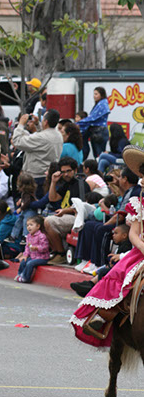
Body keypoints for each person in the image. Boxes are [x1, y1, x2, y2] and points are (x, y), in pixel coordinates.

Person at [70, 145, 144, 346]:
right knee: (120, 276)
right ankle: (103, 316)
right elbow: (134, 233)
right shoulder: (139, 202)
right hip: (141, 251)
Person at [11, 109, 63, 198]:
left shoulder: (41, 138)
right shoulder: (58, 135)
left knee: (32, 206)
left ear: (46, 122)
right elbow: (42, 136)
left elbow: (17, 141)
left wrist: (20, 124)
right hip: (47, 175)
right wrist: (37, 124)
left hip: (36, 178)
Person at [44, 156, 86, 264]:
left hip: (76, 217)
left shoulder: (80, 184)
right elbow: (52, 198)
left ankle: (61, 254)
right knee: (39, 222)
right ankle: (56, 252)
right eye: (63, 172)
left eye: (69, 171)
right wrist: (53, 182)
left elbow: (82, 207)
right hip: (65, 215)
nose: (66, 174)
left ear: (75, 170)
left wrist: (65, 211)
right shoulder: (66, 184)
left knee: (49, 221)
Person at [77, 87, 110, 159]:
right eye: (94, 94)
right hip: (98, 132)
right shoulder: (101, 104)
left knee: (99, 155)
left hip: (98, 132)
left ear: (101, 95)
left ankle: (100, 169)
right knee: (98, 155)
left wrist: (79, 123)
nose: (94, 96)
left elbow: (92, 118)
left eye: (96, 94)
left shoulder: (102, 105)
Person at [15, 215, 50, 283]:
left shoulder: (41, 236)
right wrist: (25, 255)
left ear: (38, 226)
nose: (29, 227)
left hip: (42, 258)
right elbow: (27, 247)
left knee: (30, 263)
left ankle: (26, 278)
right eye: (27, 225)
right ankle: (20, 274)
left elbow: (45, 247)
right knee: (23, 262)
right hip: (33, 256)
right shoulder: (28, 236)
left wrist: (37, 248)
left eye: (31, 225)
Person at [5, 172, 37, 244]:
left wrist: (20, 208)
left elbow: (27, 202)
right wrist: (20, 200)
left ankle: (25, 236)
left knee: (26, 223)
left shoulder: (27, 194)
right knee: (19, 221)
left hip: (29, 211)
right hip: (26, 211)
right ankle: (13, 235)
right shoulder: (26, 193)